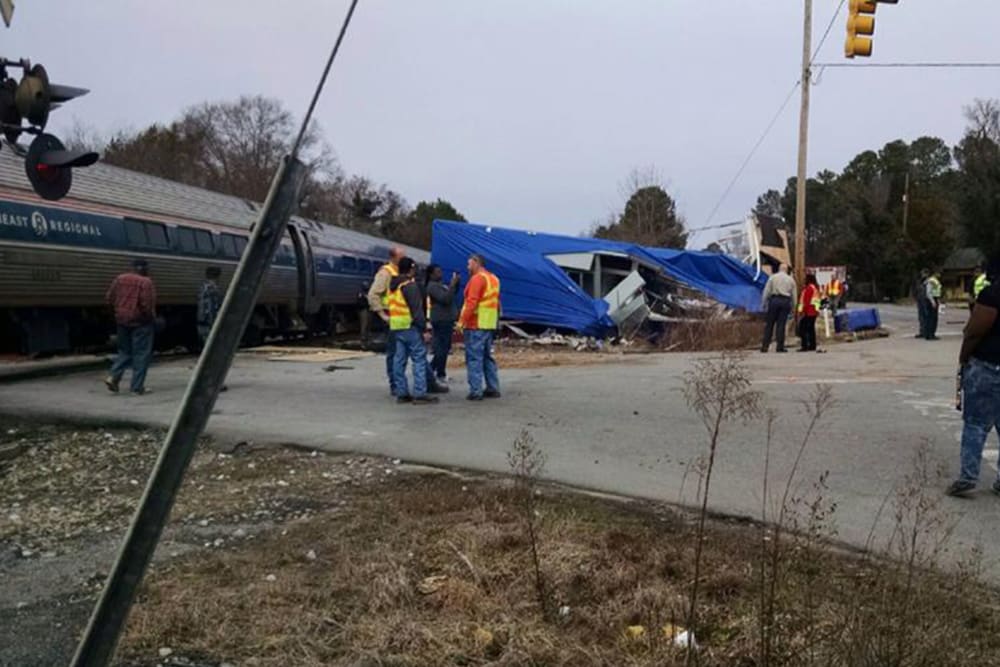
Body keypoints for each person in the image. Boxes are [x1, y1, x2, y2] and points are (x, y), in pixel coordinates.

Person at [946, 259, 1000, 497]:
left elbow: (976, 330)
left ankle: (968, 476)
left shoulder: (992, 294)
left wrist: (964, 357)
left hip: (988, 365)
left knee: (976, 423)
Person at [388, 257, 438, 405]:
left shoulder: (393, 285)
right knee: (419, 359)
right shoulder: (409, 286)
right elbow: (416, 310)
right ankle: (420, 393)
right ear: (411, 269)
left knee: (399, 360)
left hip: (397, 327)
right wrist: (424, 329)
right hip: (410, 327)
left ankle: (402, 392)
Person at [104, 258, 157, 395]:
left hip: (122, 321)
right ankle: (136, 388)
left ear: (132, 267)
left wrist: (116, 314)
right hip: (141, 323)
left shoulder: (119, 279)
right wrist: (150, 319)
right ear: (144, 268)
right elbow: (147, 305)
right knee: (141, 354)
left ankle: (113, 377)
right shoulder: (146, 282)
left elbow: (109, 298)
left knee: (124, 351)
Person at [459, 254, 501, 400]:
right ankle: (493, 387)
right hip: (488, 324)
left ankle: (476, 391)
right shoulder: (494, 279)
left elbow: (472, 302)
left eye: (469, 264)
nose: (467, 267)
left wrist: (461, 322)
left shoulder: (477, 279)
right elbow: (497, 302)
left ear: (477, 263)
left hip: (475, 324)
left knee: (474, 358)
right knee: (487, 357)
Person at [368, 247, 405, 395]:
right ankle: (394, 384)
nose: (404, 260)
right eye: (402, 257)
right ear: (394, 257)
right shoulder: (386, 273)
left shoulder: (399, 272)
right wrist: (382, 315)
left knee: (403, 353)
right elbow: (373, 294)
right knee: (394, 353)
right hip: (391, 318)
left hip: (402, 319)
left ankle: (400, 383)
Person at [425, 264, 460, 383]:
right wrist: (452, 285)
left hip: (446, 319)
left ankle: (434, 371)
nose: (440, 274)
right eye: (437, 272)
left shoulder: (440, 285)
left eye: (440, 271)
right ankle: (435, 372)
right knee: (442, 348)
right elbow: (445, 299)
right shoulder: (432, 287)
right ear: (431, 274)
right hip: (441, 320)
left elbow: (451, 295)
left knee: (444, 347)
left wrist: (455, 284)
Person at [196, 266, 227, 391]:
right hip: (211, 324)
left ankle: (204, 381)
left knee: (207, 354)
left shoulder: (202, 288)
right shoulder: (214, 289)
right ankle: (215, 383)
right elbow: (213, 310)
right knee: (215, 355)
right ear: (218, 276)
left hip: (201, 323)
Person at [760, 263, 796, 353]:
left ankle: (765, 346)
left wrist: (764, 303)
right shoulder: (790, 280)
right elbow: (794, 295)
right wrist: (794, 306)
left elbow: (766, 291)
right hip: (785, 302)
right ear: (787, 270)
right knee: (781, 325)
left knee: (770, 324)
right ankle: (780, 347)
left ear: (779, 269)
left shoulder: (772, 277)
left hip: (774, 301)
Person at [797, 273, 821, 352]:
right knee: (811, 329)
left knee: (803, 328)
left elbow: (806, 301)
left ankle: (805, 346)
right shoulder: (814, 288)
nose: (804, 280)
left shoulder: (809, 288)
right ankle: (812, 345)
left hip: (809, 311)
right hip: (813, 311)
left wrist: (802, 311)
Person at [925, 270, 943, 340]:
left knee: (932, 318)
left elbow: (937, 292)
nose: (940, 275)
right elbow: (928, 292)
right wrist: (933, 302)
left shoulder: (935, 280)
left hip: (934, 299)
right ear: (935, 273)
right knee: (932, 318)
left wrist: (938, 300)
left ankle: (930, 334)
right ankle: (930, 334)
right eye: (939, 273)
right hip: (931, 299)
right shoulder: (932, 281)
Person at [914, 268, 931, 339]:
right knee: (921, 317)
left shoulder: (929, 281)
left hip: (926, 300)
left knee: (926, 316)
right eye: (922, 273)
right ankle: (922, 331)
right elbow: (916, 290)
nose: (922, 275)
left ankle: (927, 332)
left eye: (924, 273)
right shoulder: (919, 281)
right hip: (920, 300)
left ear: (927, 274)